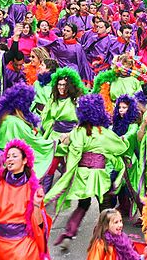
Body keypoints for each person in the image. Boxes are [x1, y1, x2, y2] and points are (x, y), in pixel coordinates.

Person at [45, 94, 129, 250]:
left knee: (83, 205)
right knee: (105, 207)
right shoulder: (103, 132)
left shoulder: (79, 131)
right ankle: (109, 240)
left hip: (83, 175)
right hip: (99, 175)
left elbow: (72, 149)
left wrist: (64, 143)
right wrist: (124, 141)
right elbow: (120, 147)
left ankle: (69, 233)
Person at [0, 84, 54, 194]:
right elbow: (33, 141)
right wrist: (53, 142)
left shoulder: (0, 118)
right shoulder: (15, 122)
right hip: (10, 167)